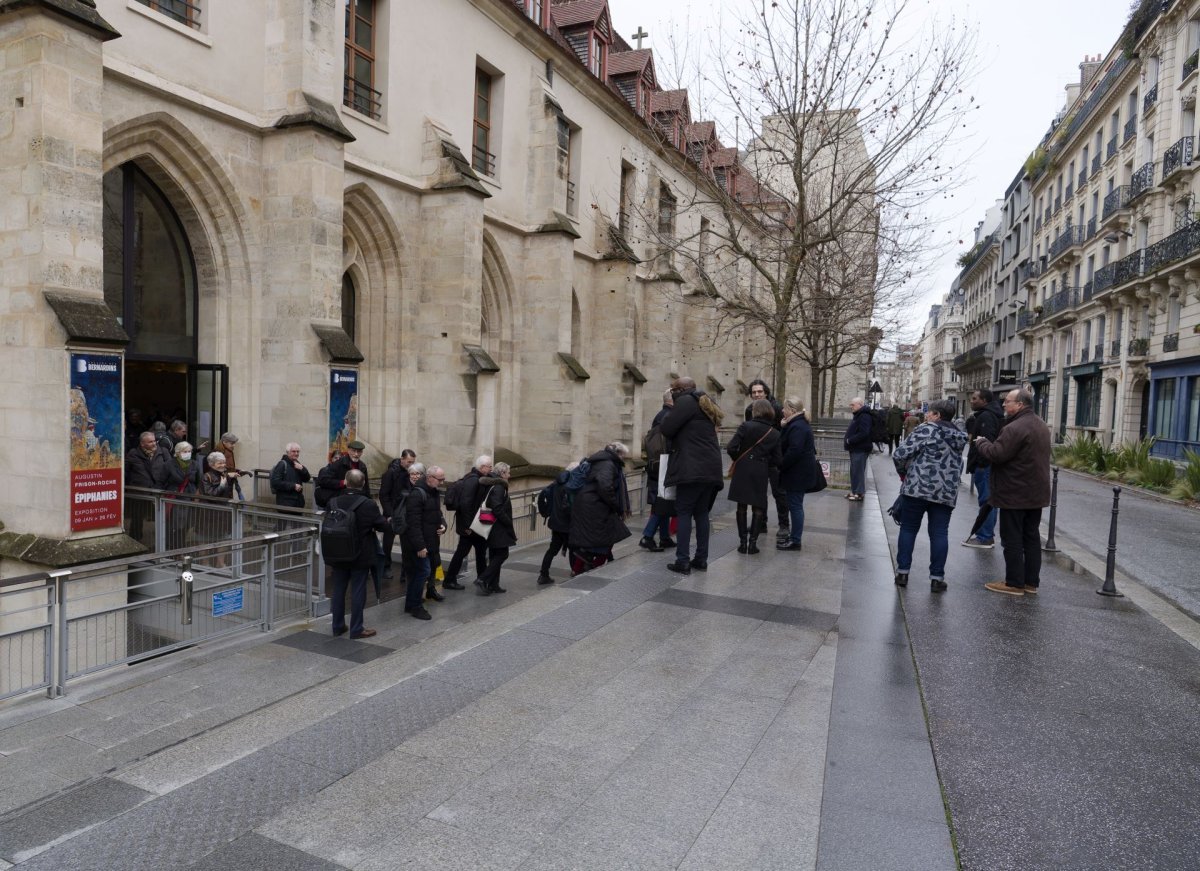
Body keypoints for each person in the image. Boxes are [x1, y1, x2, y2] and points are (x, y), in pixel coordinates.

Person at [974, 389, 1052, 596]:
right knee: (1031, 537)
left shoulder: (1015, 427)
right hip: (1036, 492)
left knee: (1012, 538)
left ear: (1019, 404)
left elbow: (997, 454)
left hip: (1015, 492)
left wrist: (981, 442)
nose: (1003, 406)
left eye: (1007, 402)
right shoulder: (1041, 424)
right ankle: (1030, 582)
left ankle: (1014, 582)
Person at [891, 399, 970, 593]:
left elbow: (900, 453)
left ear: (938, 416)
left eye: (930, 413)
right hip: (945, 491)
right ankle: (937, 578)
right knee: (940, 533)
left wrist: (904, 474)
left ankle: (903, 573)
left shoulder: (927, 430)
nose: (927, 416)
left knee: (909, 529)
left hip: (917, 488)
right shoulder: (959, 436)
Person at [660, 376, 724, 575]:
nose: (672, 393)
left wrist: (670, 407)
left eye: (673, 390)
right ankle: (701, 559)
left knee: (684, 511)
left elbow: (666, 428)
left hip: (692, 468)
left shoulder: (686, 401)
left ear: (680, 390)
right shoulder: (704, 401)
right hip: (710, 467)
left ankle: (683, 561)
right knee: (702, 512)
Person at [326, 469, 389, 638]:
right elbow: (382, 526)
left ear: (346, 482)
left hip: (338, 553)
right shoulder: (368, 504)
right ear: (363, 484)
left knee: (338, 589)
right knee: (358, 589)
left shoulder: (333, 502)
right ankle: (356, 629)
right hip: (360, 554)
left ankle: (337, 626)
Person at [726, 399, 782, 554]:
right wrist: (764, 461)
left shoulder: (746, 426)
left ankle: (742, 543)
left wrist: (739, 458)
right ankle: (753, 544)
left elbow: (731, 447)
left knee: (741, 506)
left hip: (743, 468)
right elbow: (778, 459)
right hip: (760, 470)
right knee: (758, 507)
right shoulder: (775, 433)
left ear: (755, 411)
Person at [568, 443, 632, 573]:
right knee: (608, 536)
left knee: (603, 536)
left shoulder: (603, 461)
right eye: (623, 456)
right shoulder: (608, 464)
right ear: (618, 453)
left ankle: (581, 567)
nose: (624, 459)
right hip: (595, 504)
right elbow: (605, 486)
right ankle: (589, 564)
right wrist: (615, 504)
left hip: (592, 503)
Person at [397, 464, 447, 620]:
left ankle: (411, 604)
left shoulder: (433, 492)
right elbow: (414, 522)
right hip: (420, 543)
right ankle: (416, 606)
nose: (442, 482)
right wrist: (420, 546)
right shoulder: (417, 494)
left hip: (431, 540)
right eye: (440, 479)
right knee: (422, 572)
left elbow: (437, 514)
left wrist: (443, 526)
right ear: (430, 478)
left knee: (423, 571)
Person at [744, 379, 790, 535]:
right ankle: (760, 523)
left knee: (779, 493)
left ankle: (784, 525)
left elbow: (782, 432)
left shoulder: (776, 408)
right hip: (758, 457)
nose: (757, 394)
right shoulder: (749, 409)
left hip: (775, 457)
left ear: (766, 392)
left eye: (760, 391)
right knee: (758, 493)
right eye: (754, 392)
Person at [962, 389, 1004, 549]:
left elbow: (986, 441)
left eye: (974, 399)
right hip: (988, 465)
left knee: (986, 501)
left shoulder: (986, 416)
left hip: (985, 466)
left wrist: (980, 463)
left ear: (984, 400)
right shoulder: (991, 414)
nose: (971, 401)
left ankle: (984, 537)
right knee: (989, 501)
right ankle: (987, 536)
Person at [443, 455, 491, 589]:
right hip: (470, 527)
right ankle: (450, 580)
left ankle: (481, 580)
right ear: (482, 467)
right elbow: (466, 504)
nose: (491, 469)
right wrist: (469, 526)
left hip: (473, 525)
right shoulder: (473, 481)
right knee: (463, 553)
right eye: (489, 466)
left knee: (479, 553)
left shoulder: (477, 478)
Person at [776, 398, 817, 551]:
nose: (782, 411)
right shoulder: (796, 424)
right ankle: (794, 537)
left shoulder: (798, 426)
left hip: (797, 473)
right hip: (798, 472)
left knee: (795, 506)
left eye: (784, 408)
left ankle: (795, 540)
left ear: (792, 410)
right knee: (795, 505)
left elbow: (794, 450)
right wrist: (784, 427)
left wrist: (781, 464)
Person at [638, 389, 676, 552]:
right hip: (663, 465)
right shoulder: (668, 417)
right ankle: (647, 536)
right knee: (663, 502)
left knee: (663, 502)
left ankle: (664, 537)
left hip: (658, 465)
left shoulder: (662, 415)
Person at [475, 462, 518, 595]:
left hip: (495, 527)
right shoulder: (499, 487)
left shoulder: (494, 485)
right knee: (502, 554)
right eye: (508, 473)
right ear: (503, 474)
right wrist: (507, 522)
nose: (509, 476)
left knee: (495, 555)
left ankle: (494, 584)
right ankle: (482, 579)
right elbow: (497, 508)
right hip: (498, 527)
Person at [537, 461, 576, 585]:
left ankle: (543, 574)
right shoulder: (571, 485)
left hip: (555, 523)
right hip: (567, 524)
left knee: (552, 550)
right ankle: (575, 573)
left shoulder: (556, 483)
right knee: (573, 550)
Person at [379, 448, 416, 576]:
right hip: (393, 512)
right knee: (388, 542)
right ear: (402, 459)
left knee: (406, 542)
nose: (410, 464)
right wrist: (389, 514)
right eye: (408, 462)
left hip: (405, 512)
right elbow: (384, 495)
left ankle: (405, 569)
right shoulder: (391, 473)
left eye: (412, 462)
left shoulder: (410, 473)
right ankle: (385, 567)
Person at [156, 440, 200, 548]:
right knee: (173, 525)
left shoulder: (194, 464)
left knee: (186, 525)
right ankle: (170, 547)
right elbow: (161, 481)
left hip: (189, 498)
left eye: (189, 451)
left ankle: (180, 548)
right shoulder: (169, 464)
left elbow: (199, 481)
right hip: (174, 498)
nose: (188, 453)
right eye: (185, 451)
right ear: (178, 452)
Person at [124, 431, 158, 542]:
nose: (154, 443)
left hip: (156, 490)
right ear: (142, 444)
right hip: (139, 491)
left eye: (154, 441)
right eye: (150, 442)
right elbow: (126, 472)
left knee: (159, 516)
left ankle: (160, 539)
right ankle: (136, 539)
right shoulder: (134, 453)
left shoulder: (160, 452)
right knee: (137, 517)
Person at [843, 397, 874, 502]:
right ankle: (854, 491)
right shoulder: (859, 415)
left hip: (860, 448)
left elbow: (864, 433)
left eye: (853, 405)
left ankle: (859, 493)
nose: (851, 406)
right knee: (854, 471)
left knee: (858, 471)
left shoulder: (864, 416)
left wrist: (850, 440)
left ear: (860, 405)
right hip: (856, 448)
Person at [269, 443, 311, 508]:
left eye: (298, 451)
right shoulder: (282, 464)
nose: (296, 453)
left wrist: (303, 469)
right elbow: (275, 483)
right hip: (285, 503)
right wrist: (293, 486)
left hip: (298, 503)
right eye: (293, 451)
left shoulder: (297, 464)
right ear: (288, 452)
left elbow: (307, 479)